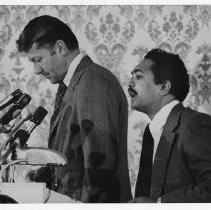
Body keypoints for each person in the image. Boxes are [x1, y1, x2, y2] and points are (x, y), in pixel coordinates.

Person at [16, 15, 132, 203]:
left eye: (38, 59)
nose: (36, 70)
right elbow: (75, 159)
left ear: (59, 48)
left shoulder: (93, 81)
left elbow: (100, 165)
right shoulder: (73, 84)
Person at [128, 48, 211, 202]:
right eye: (131, 76)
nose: (130, 82)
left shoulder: (195, 125)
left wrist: (160, 205)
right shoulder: (150, 132)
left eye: (138, 76)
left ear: (163, 87)